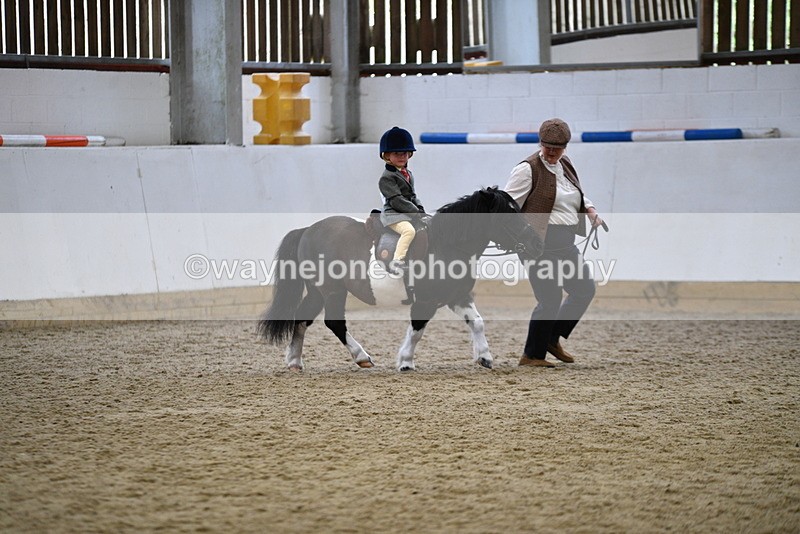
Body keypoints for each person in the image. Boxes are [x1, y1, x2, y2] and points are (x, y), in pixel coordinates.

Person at [503, 118, 605, 367]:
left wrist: (590, 209)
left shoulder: (565, 164)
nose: (551, 152)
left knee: (584, 289)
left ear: (565, 147)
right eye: (547, 146)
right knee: (549, 298)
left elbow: (575, 191)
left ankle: (550, 338)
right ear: (540, 143)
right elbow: (507, 204)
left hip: (565, 241)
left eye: (557, 148)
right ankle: (532, 356)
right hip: (538, 243)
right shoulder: (527, 169)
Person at [377, 126, 428, 276]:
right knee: (409, 231)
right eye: (397, 154)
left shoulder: (408, 174)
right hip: (394, 215)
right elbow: (396, 200)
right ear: (386, 156)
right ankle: (397, 261)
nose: (402, 157)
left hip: (408, 212)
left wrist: (420, 208)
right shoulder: (386, 177)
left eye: (404, 153)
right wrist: (415, 212)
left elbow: (412, 195)